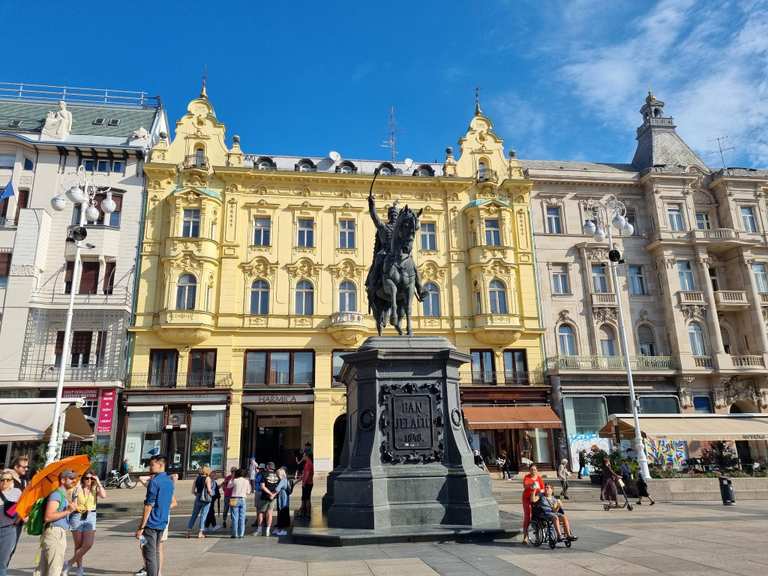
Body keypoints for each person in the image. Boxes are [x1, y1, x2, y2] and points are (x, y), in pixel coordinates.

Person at [136, 455, 174, 576]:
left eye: (152, 465)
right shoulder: (169, 481)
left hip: (151, 523)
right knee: (156, 552)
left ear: (160, 465)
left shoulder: (154, 481)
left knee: (149, 555)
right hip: (162, 521)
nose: (150, 467)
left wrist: (141, 527)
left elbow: (148, 505)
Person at [37, 469, 78, 576]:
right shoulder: (57, 494)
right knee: (54, 569)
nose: (74, 481)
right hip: (55, 532)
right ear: (63, 480)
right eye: (71, 478)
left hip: (56, 532)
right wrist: (67, 511)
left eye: (75, 478)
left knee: (44, 570)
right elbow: (48, 516)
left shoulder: (62, 495)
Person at [67, 469, 106, 576]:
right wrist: (76, 489)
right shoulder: (77, 488)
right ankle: (79, 569)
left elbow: (103, 496)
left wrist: (98, 482)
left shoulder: (95, 488)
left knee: (88, 544)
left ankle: (69, 563)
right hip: (77, 516)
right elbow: (72, 502)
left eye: (91, 478)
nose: (89, 480)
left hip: (91, 516)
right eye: (86, 478)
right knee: (78, 545)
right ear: (82, 479)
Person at [8, 456, 29, 565]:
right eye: (24, 467)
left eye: (27, 467)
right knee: (5, 551)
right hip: (8, 521)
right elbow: (7, 501)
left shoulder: (23, 481)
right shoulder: (7, 479)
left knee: (10, 551)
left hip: (17, 521)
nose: (26, 469)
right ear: (16, 467)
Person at [1, 469, 21, 576]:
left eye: (8, 480)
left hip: (8, 531)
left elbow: (22, 511)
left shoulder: (16, 493)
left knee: (2, 563)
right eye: (2, 480)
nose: (5, 482)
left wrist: (16, 522)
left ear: (12, 481)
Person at [521, 463, 544, 545]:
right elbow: (525, 486)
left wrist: (539, 493)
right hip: (527, 499)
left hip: (536, 498)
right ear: (529, 470)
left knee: (537, 516)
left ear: (537, 470)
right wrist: (531, 485)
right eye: (531, 469)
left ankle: (538, 535)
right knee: (528, 516)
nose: (533, 471)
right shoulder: (527, 477)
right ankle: (525, 536)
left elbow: (543, 489)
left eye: (534, 469)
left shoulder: (539, 478)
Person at [186, 466, 212, 538]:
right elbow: (209, 490)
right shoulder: (207, 478)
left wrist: (197, 494)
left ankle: (188, 531)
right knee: (203, 515)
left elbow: (192, 490)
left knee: (194, 515)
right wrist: (211, 494)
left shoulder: (197, 478)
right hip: (205, 499)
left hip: (198, 497)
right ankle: (200, 533)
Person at [254, 462, 279, 537]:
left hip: (264, 496)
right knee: (270, 513)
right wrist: (273, 494)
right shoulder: (277, 475)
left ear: (268, 467)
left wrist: (270, 494)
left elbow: (262, 486)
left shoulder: (264, 474)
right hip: (273, 498)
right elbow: (279, 487)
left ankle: (259, 530)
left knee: (261, 513)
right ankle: (268, 531)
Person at [227, 468, 251, 538]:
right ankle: (241, 534)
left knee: (235, 517)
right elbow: (248, 492)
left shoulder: (235, 480)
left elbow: (228, 486)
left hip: (234, 498)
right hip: (242, 498)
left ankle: (235, 534)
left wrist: (232, 478)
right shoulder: (246, 481)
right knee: (242, 517)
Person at [274, 468, 291, 537]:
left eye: (277, 474)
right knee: (284, 511)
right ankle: (281, 526)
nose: (276, 476)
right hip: (285, 496)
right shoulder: (285, 479)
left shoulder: (282, 480)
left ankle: (282, 528)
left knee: (281, 511)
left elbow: (277, 489)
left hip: (282, 496)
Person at [297, 451, 314, 519]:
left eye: (303, 456)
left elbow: (307, 474)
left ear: (306, 456)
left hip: (307, 484)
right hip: (309, 483)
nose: (303, 457)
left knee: (307, 499)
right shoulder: (309, 462)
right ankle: (303, 512)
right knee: (304, 498)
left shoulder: (308, 464)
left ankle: (308, 514)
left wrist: (303, 483)